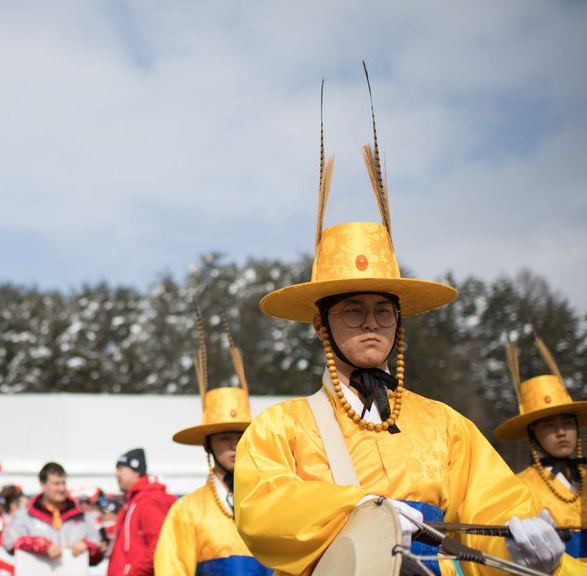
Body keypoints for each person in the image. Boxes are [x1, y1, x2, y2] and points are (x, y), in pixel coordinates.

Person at [233, 76, 577, 575]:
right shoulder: (280, 429)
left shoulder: (446, 427)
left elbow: (497, 511)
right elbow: (263, 507)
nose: (372, 322)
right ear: (319, 323)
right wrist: (360, 512)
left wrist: (525, 551)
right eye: (353, 310)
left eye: (384, 310)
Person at [155, 311, 271, 576]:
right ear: (208, 445)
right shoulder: (187, 510)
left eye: (241, 437)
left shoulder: (273, 500)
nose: (234, 446)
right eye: (224, 439)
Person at [495, 333, 587, 561]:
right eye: (549, 425)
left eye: (567, 423)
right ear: (532, 434)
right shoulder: (518, 487)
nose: (561, 432)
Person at [3, 462, 104, 566]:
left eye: (63, 483)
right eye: (56, 484)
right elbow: (10, 543)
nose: (61, 489)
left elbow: (98, 550)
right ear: (42, 485)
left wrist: (87, 546)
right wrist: (38, 544)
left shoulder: (82, 516)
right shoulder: (25, 516)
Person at [108, 448, 175, 576]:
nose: (117, 474)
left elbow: (158, 546)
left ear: (137, 471)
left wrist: (133, 573)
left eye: (121, 468)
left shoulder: (148, 501)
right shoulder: (133, 501)